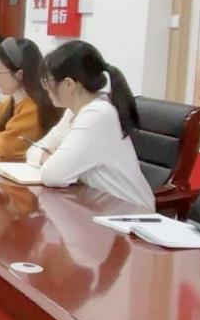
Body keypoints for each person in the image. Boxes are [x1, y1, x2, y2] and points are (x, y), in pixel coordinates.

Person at [27, 41, 155, 210]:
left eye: (48, 82)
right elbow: (33, 151)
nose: (46, 89)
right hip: (96, 205)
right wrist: (47, 158)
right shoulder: (74, 111)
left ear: (69, 84)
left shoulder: (98, 115)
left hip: (129, 214)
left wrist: (49, 158)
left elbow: (52, 176)